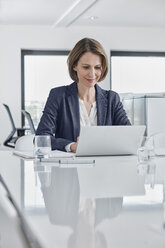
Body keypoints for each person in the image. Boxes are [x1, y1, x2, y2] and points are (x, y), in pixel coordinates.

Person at [36, 37, 131, 152]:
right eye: (86, 67)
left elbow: (128, 136)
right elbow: (41, 137)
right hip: (69, 167)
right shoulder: (58, 95)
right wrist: (71, 146)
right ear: (74, 66)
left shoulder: (112, 99)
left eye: (97, 67)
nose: (92, 73)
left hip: (104, 165)